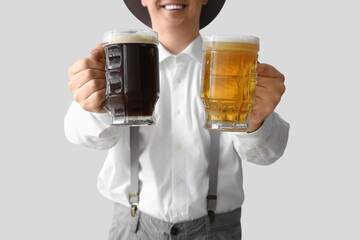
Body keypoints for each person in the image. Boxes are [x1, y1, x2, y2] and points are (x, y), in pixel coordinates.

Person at [64, 0, 290, 239]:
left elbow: (268, 154)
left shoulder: (232, 63)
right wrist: (94, 105)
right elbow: (79, 135)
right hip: (132, 229)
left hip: (217, 231)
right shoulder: (117, 62)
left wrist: (256, 121)